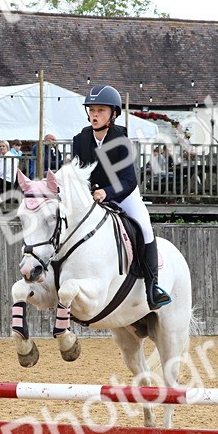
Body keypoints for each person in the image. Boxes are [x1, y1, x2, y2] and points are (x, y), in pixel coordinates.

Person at [71, 84, 171, 309]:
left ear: (113, 114)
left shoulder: (122, 140)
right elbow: (78, 173)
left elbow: (128, 181)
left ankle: (152, 287)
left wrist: (106, 192)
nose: (95, 115)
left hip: (123, 194)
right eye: (92, 110)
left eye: (101, 111)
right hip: (92, 196)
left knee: (144, 227)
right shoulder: (80, 140)